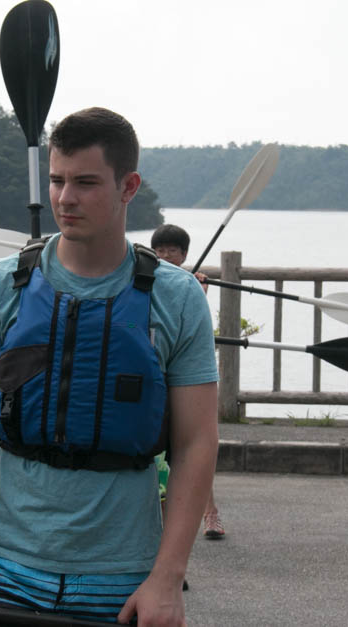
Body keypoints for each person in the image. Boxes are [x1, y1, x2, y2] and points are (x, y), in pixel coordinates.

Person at [0, 107, 219, 626]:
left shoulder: (178, 298)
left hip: (124, 576)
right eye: (56, 180)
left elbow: (195, 443)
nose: (64, 198)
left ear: (129, 187)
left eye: (85, 182)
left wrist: (167, 578)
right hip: (6, 565)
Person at [150, 224, 225, 540]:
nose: (166, 255)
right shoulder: (147, 281)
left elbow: (193, 333)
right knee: (159, 460)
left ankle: (210, 513)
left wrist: (199, 294)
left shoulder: (189, 288)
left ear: (184, 255)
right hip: (154, 381)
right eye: (161, 250)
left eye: (173, 251)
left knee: (194, 448)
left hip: (186, 382)